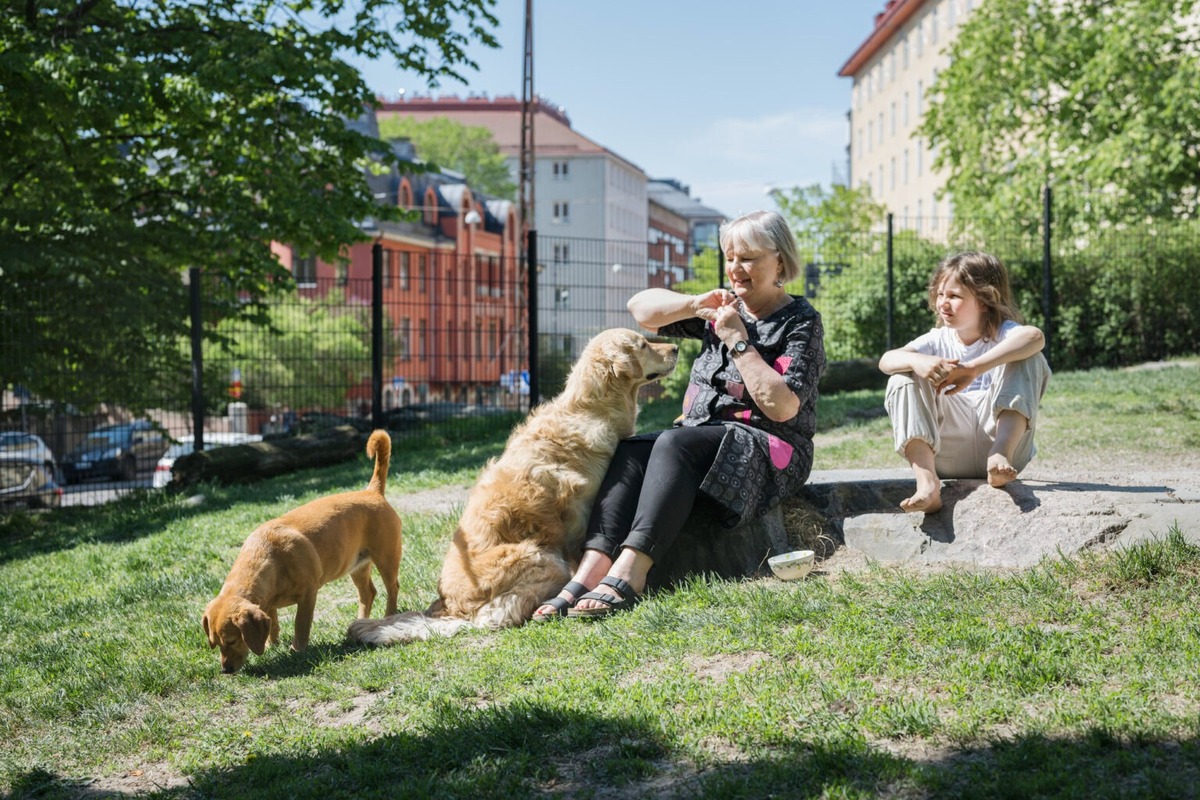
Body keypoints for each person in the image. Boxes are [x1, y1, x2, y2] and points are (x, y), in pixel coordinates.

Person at [532, 210, 826, 621]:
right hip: (700, 438)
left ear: (780, 260)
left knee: (674, 442)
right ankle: (588, 572)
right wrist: (694, 303)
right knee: (633, 450)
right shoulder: (722, 308)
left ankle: (631, 572)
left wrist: (739, 343)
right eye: (729, 257)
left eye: (748, 258)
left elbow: (783, 407)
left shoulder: (801, 322)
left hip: (767, 447)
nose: (735, 269)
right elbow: (640, 309)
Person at [878, 251, 1051, 514]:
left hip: (1007, 454)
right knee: (902, 375)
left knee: (1029, 357)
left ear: (985, 300)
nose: (943, 304)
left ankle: (998, 456)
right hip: (945, 454)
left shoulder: (1005, 333)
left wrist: (972, 369)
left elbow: (1035, 337)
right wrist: (917, 362)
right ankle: (927, 484)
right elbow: (886, 360)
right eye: (940, 294)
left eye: (954, 296)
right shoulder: (937, 339)